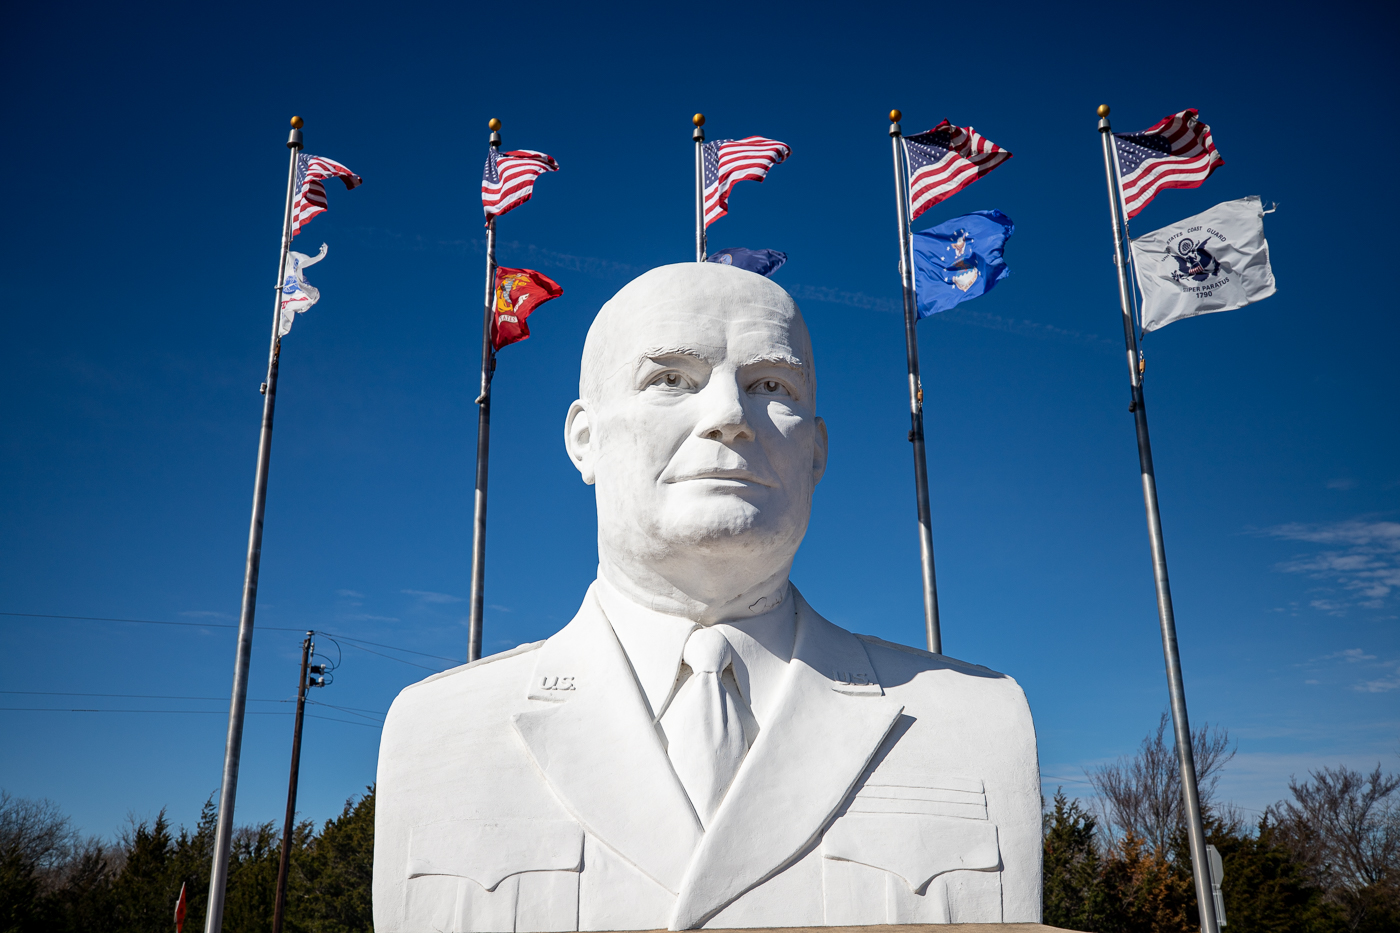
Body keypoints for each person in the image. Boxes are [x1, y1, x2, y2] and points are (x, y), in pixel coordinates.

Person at [373, 263, 1041, 931]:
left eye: (771, 385)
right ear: (585, 439)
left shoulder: (979, 720)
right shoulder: (434, 730)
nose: (728, 414)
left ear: (816, 451)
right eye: (669, 379)